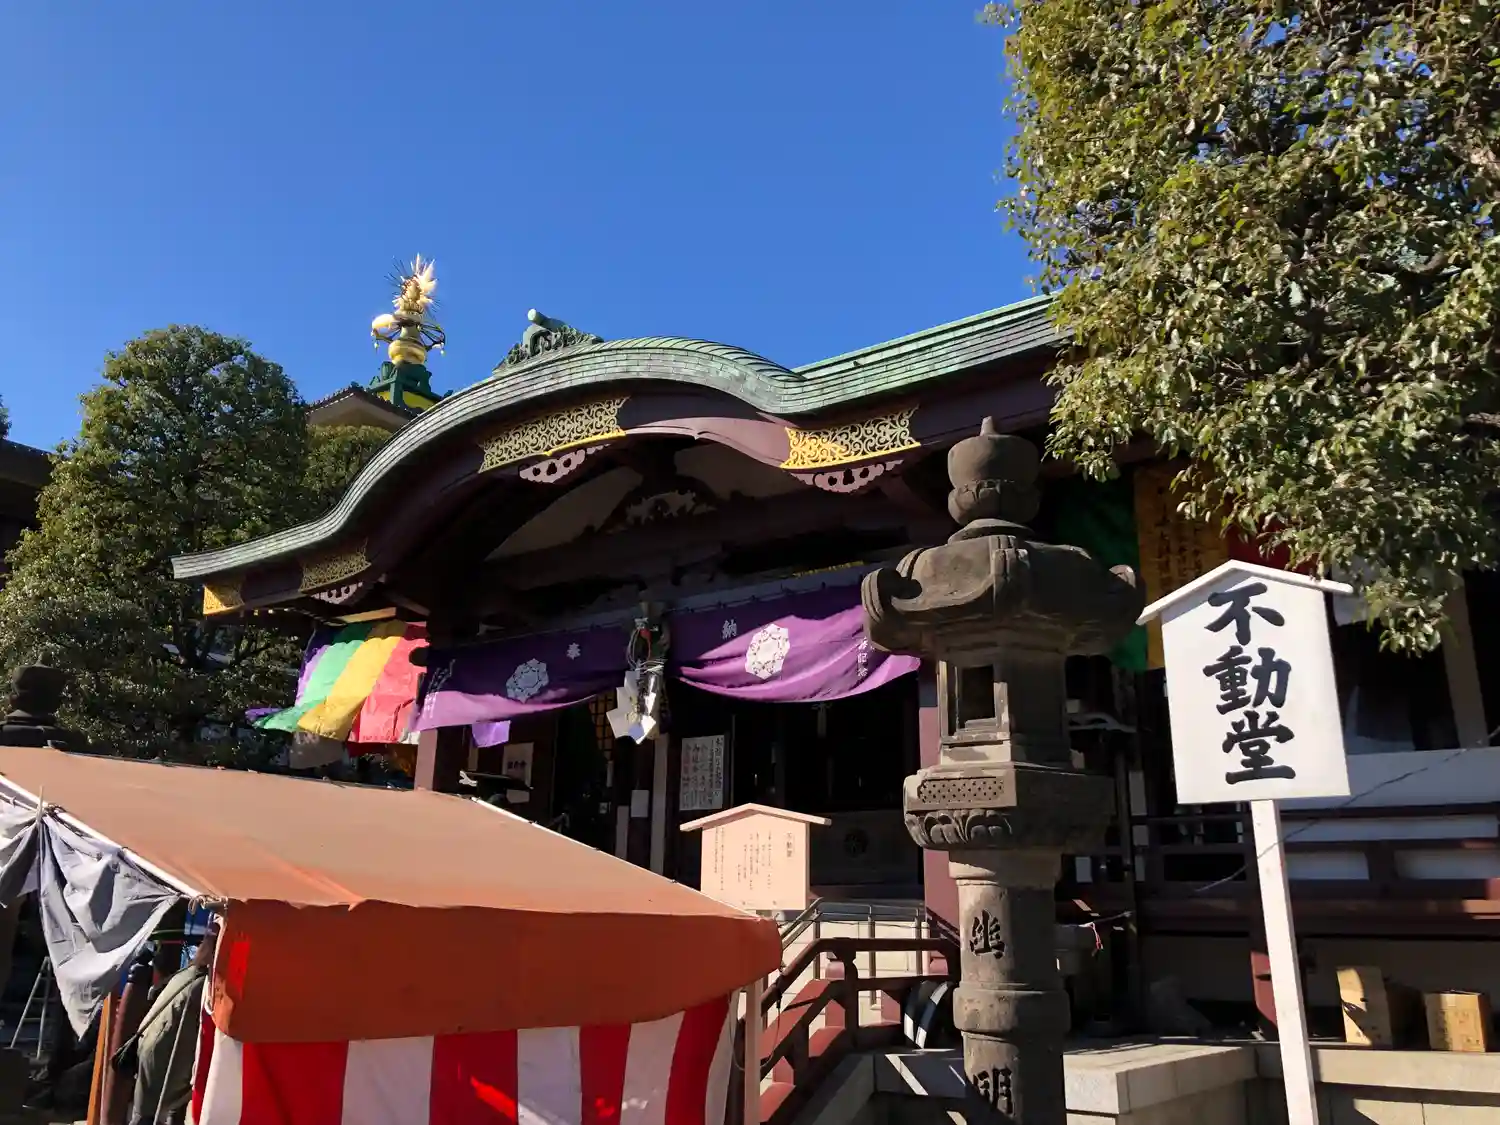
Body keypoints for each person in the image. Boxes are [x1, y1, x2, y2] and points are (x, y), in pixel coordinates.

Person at [114, 920, 218, 1125]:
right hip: (162, 1057)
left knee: (147, 1114)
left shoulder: (188, 974)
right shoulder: (204, 985)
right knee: (148, 1116)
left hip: (152, 1051)